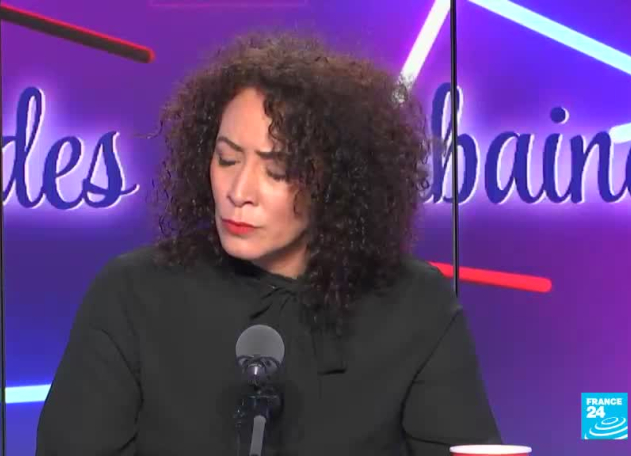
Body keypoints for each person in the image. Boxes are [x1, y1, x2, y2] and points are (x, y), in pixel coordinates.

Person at [36, 32, 501, 455]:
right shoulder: (132, 295)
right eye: (226, 159)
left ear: (336, 181)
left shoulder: (416, 306)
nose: (239, 191)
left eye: (277, 170)